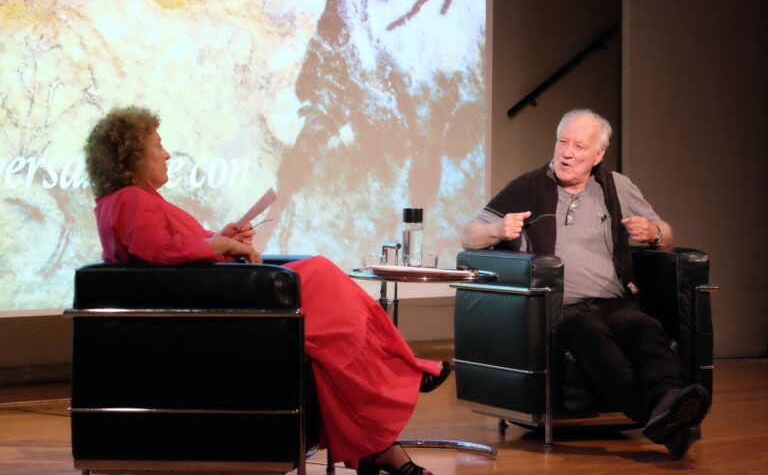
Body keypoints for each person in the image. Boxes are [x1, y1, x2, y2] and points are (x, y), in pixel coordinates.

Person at [83, 105, 452, 475]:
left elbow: (173, 250)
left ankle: (382, 434)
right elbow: (162, 254)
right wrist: (224, 247)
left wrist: (220, 238)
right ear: (131, 155)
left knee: (328, 335)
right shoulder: (130, 200)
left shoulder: (131, 200)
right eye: (158, 145)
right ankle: (407, 371)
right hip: (217, 309)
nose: (166, 154)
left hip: (216, 300)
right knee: (324, 281)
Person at [461, 108, 711, 458]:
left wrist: (653, 233)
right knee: (592, 337)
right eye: (563, 142)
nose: (566, 152)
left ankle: (667, 408)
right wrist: (496, 231)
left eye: (579, 146)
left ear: (598, 155)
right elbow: (469, 235)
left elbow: (666, 233)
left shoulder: (616, 186)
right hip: (559, 305)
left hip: (613, 299)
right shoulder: (527, 186)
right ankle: (669, 421)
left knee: (645, 330)